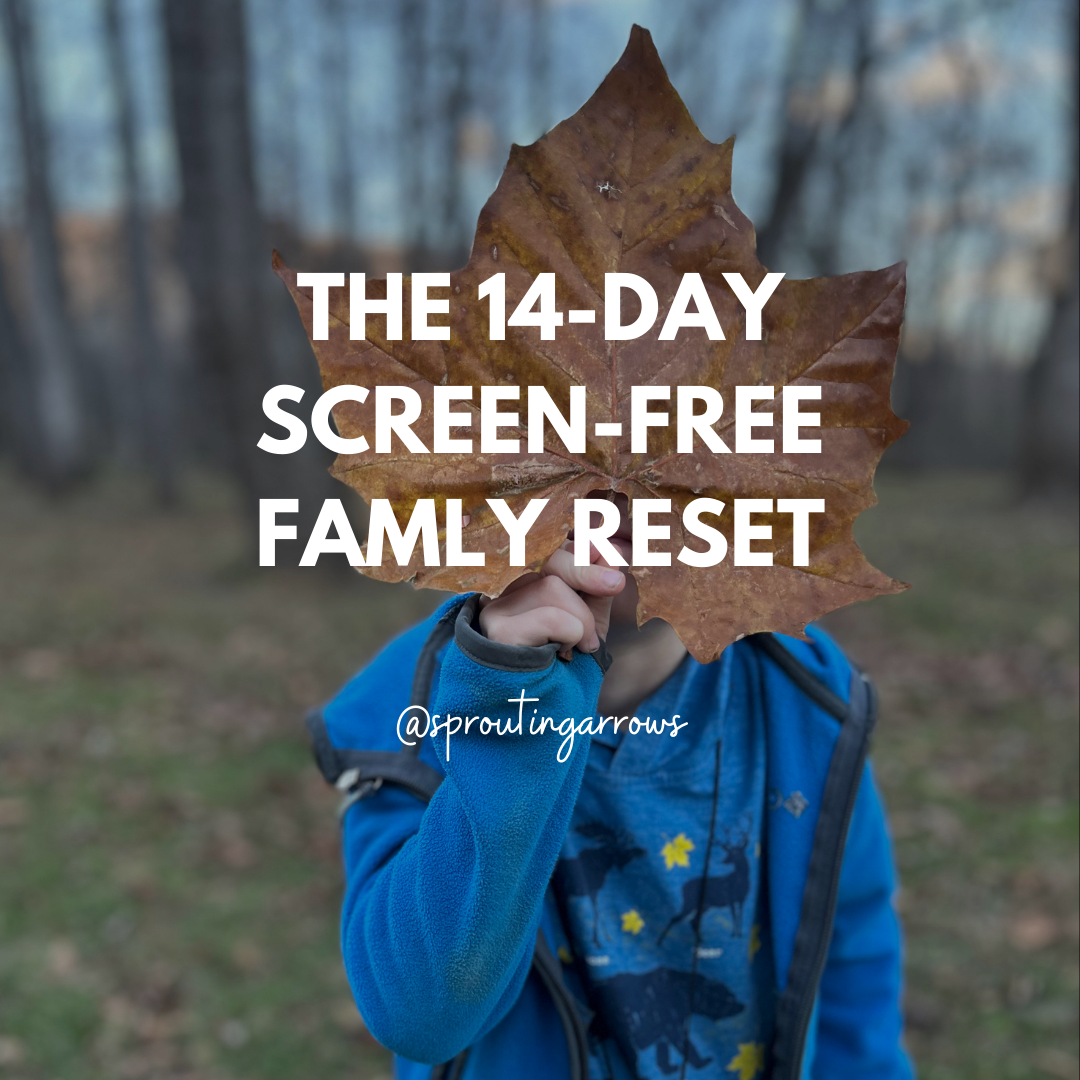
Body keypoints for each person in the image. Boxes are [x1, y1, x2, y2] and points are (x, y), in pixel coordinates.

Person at [306, 497, 914, 1080]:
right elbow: (422, 1015)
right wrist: (509, 715)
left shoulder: (804, 704)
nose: (616, 489)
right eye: (577, 445)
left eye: (667, 451)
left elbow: (850, 967)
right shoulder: (409, 710)